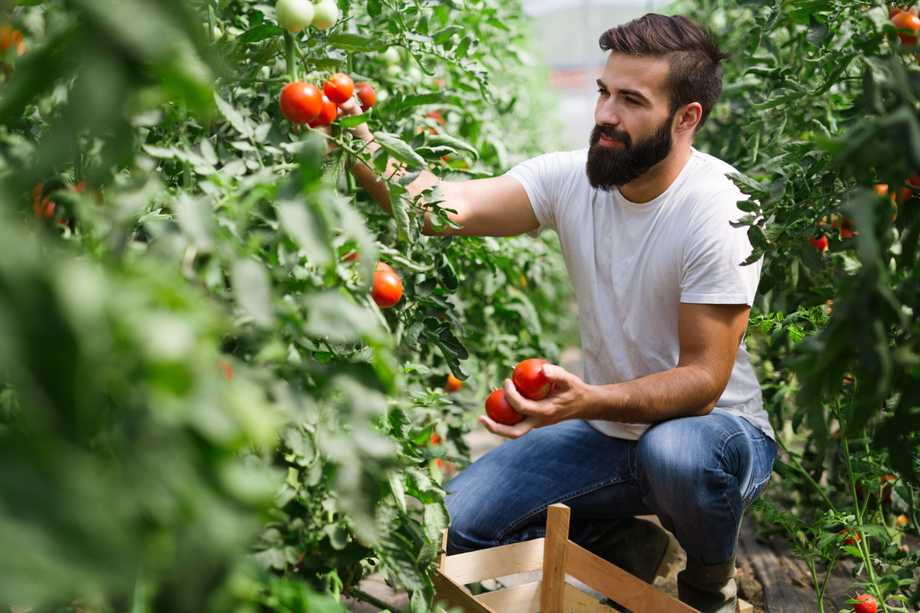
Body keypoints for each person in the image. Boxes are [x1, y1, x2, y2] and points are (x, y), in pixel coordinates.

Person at [341, 13, 777, 613]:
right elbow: (444, 208)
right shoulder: (572, 177)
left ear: (686, 118)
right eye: (603, 92)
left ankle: (708, 579)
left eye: (630, 100)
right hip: (608, 433)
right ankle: (624, 543)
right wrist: (347, 131)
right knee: (460, 528)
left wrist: (586, 400)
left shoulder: (720, 209)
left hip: (716, 434)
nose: (604, 114)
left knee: (675, 455)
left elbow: (703, 383)